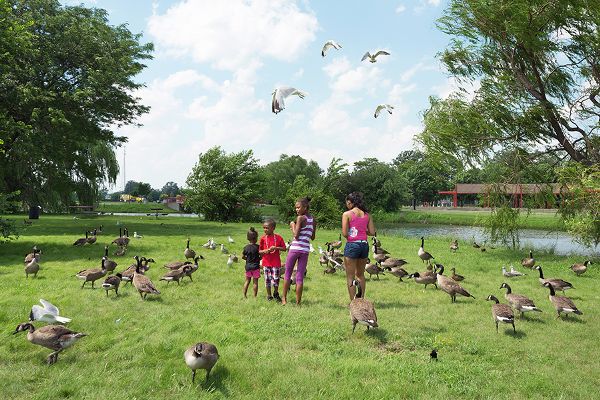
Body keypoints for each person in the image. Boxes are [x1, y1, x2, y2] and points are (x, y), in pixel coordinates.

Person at [282, 197, 316, 305]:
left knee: (287, 273)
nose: (296, 210)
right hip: (305, 250)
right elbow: (313, 237)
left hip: (295, 249)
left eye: (298, 207)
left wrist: (292, 225)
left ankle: (284, 299)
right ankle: (298, 302)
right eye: (296, 208)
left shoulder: (300, 218)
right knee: (300, 276)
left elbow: (296, 235)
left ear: (305, 207)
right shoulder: (313, 220)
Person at [342, 192, 375, 301]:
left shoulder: (347, 214)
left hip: (352, 245)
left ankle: (353, 303)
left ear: (349, 202)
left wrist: (352, 236)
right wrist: (363, 231)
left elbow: (345, 233)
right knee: (360, 275)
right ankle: (361, 300)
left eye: (347, 202)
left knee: (350, 276)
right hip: (364, 245)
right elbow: (372, 232)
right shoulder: (367, 215)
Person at [259, 218, 287, 302]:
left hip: (276, 263)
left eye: (267, 228)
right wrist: (265, 251)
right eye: (264, 228)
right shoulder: (263, 239)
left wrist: (276, 248)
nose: (265, 229)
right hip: (266, 263)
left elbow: (284, 248)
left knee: (276, 279)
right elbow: (259, 251)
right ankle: (269, 295)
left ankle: (275, 293)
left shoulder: (278, 238)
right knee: (267, 279)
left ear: (273, 228)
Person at [242, 227, 261, 298]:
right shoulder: (258, 247)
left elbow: (242, 256)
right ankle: (254, 296)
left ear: (248, 238)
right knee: (255, 282)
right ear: (256, 238)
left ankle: (244, 295)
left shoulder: (246, 247)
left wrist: (247, 259)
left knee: (247, 281)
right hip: (256, 267)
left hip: (248, 267)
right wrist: (259, 259)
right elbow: (261, 256)